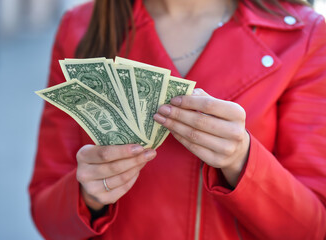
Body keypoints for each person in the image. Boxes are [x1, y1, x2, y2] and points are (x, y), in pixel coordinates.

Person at [28, 0, 326, 239]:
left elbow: (313, 228)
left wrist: (242, 161)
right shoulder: (80, 27)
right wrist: (86, 198)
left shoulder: (304, 35)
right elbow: (47, 218)